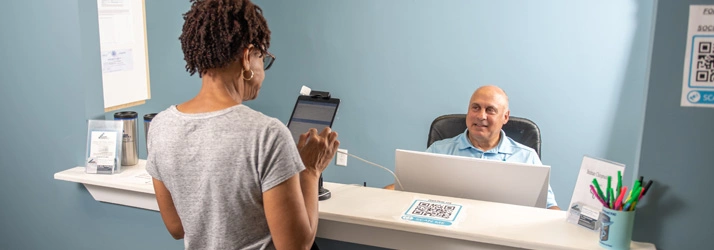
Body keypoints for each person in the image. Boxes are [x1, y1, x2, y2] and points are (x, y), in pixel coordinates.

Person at [145, 1, 339, 249]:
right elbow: (295, 247)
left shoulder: (161, 126)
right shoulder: (266, 134)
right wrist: (311, 171)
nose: (264, 71)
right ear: (247, 58)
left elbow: (176, 226)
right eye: (263, 58)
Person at [385, 85, 560, 210]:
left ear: (505, 117)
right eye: (475, 108)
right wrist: (376, 195)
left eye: (490, 110)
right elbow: (406, 186)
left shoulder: (527, 158)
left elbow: (549, 207)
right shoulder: (440, 150)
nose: (480, 116)